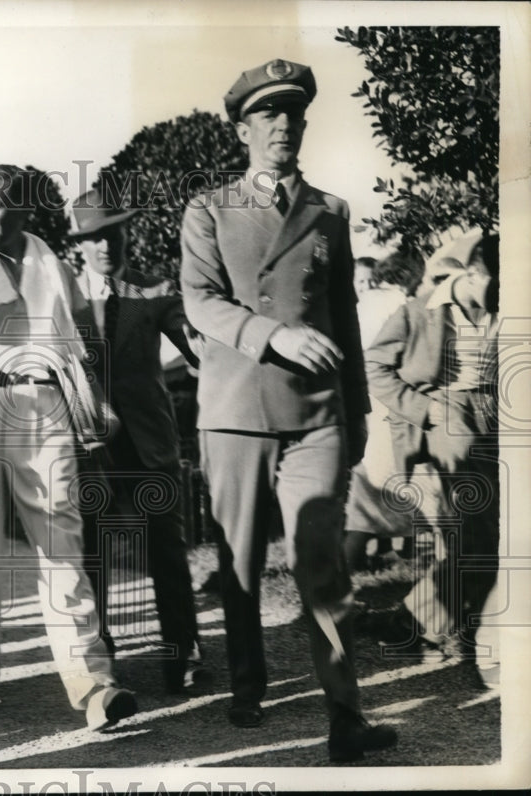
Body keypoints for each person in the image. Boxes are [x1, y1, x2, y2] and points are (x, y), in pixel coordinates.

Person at [179, 59, 398, 762]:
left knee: (323, 564)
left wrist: (358, 412)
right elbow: (200, 300)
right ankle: (248, 685)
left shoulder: (329, 211)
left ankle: (345, 715)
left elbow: (345, 320)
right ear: (243, 129)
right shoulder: (208, 208)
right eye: (267, 115)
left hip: (317, 417)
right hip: (237, 411)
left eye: (293, 113)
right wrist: (271, 334)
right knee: (240, 563)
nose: (283, 125)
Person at [0, 164, 137, 731]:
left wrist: (96, 403)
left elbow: (84, 347)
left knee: (61, 545)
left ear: (24, 209)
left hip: (45, 407)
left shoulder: (55, 268)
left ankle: (93, 685)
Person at [69, 188, 204, 693]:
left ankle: (184, 653)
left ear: (127, 234)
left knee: (167, 550)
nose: (106, 245)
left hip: (149, 447)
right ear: (79, 244)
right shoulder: (64, 299)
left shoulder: (155, 289)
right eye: (95, 237)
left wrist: (204, 344)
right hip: (89, 449)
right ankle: (101, 663)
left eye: (114, 234)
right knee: (92, 555)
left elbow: (190, 340)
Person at [365, 238, 500, 663]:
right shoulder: (417, 311)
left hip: (498, 418)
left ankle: (415, 622)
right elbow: (374, 366)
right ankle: (449, 630)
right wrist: (425, 408)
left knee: (487, 540)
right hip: (449, 422)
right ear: (473, 274)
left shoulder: (508, 307)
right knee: (478, 540)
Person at [344, 252, 430, 571]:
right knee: (385, 477)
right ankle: (352, 559)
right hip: (388, 398)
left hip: (364, 398)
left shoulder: (364, 303)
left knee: (375, 478)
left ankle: (371, 553)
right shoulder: (399, 305)